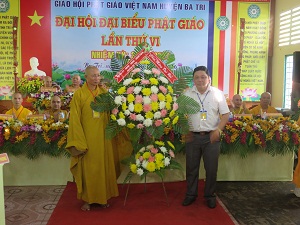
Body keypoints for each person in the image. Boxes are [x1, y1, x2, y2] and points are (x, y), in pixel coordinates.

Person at [66, 65, 119, 211]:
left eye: (98, 75)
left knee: (103, 167)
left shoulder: (104, 92)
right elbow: (75, 120)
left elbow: (112, 111)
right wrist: (79, 141)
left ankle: (103, 199)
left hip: (103, 138)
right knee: (89, 169)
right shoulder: (79, 95)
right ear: (86, 77)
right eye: (93, 76)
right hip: (87, 139)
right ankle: (88, 200)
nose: (97, 78)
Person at [182, 66, 230, 208]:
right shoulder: (187, 94)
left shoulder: (217, 94)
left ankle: (210, 195)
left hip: (211, 138)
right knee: (191, 168)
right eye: (197, 77)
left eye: (203, 77)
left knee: (211, 168)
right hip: (193, 137)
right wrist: (185, 129)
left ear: (209, 78)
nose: (200, 80)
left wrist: (218, 131)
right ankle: (191, 195)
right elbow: (179, 115)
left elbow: (225, 115)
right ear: (193, 80)